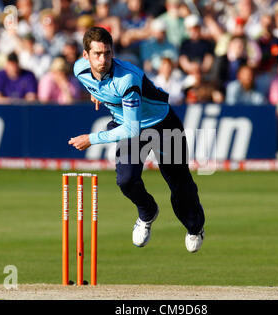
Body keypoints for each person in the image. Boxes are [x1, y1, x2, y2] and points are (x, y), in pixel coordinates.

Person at [69, 27, 205, 253]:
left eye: (107, 53)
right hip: (127, 123)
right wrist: (97, 93)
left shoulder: (127, 79)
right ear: (86, 56)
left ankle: (195, 227)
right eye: (97, 54)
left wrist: (91, 139)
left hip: (162, 125)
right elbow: (96, 84)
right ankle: (147, 212)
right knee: (126, 180)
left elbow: (132, 129)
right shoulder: (79, 70)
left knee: (180, 185)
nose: (103, 60)